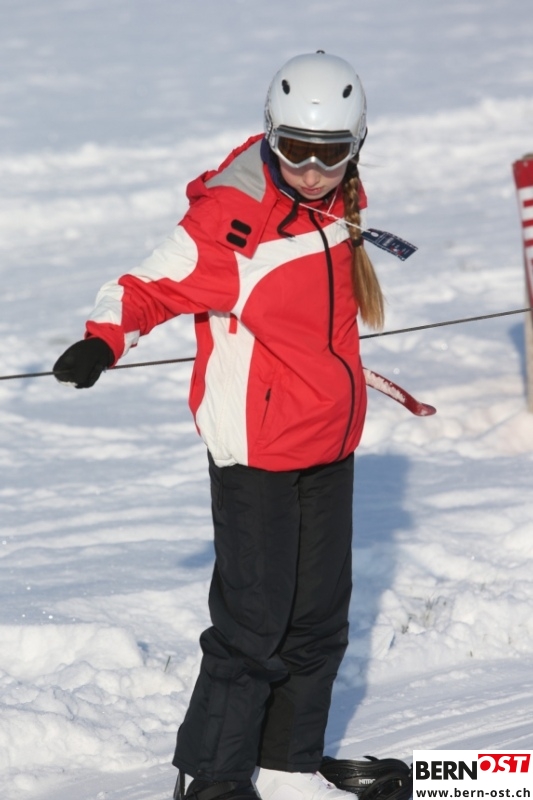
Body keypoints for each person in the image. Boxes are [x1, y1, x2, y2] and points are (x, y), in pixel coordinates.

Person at [53, 52, 385, 800]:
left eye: (329, 153)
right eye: (293, 149)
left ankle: (289, 768)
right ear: (269, 132)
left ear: (357, 144)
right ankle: (212, 779)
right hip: (256, 448)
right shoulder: (233, 217)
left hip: (328, 439)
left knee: (318, 619)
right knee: (254, 625)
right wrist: (102, 341)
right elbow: (145, 285)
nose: (310, 170)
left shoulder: (338, 199)